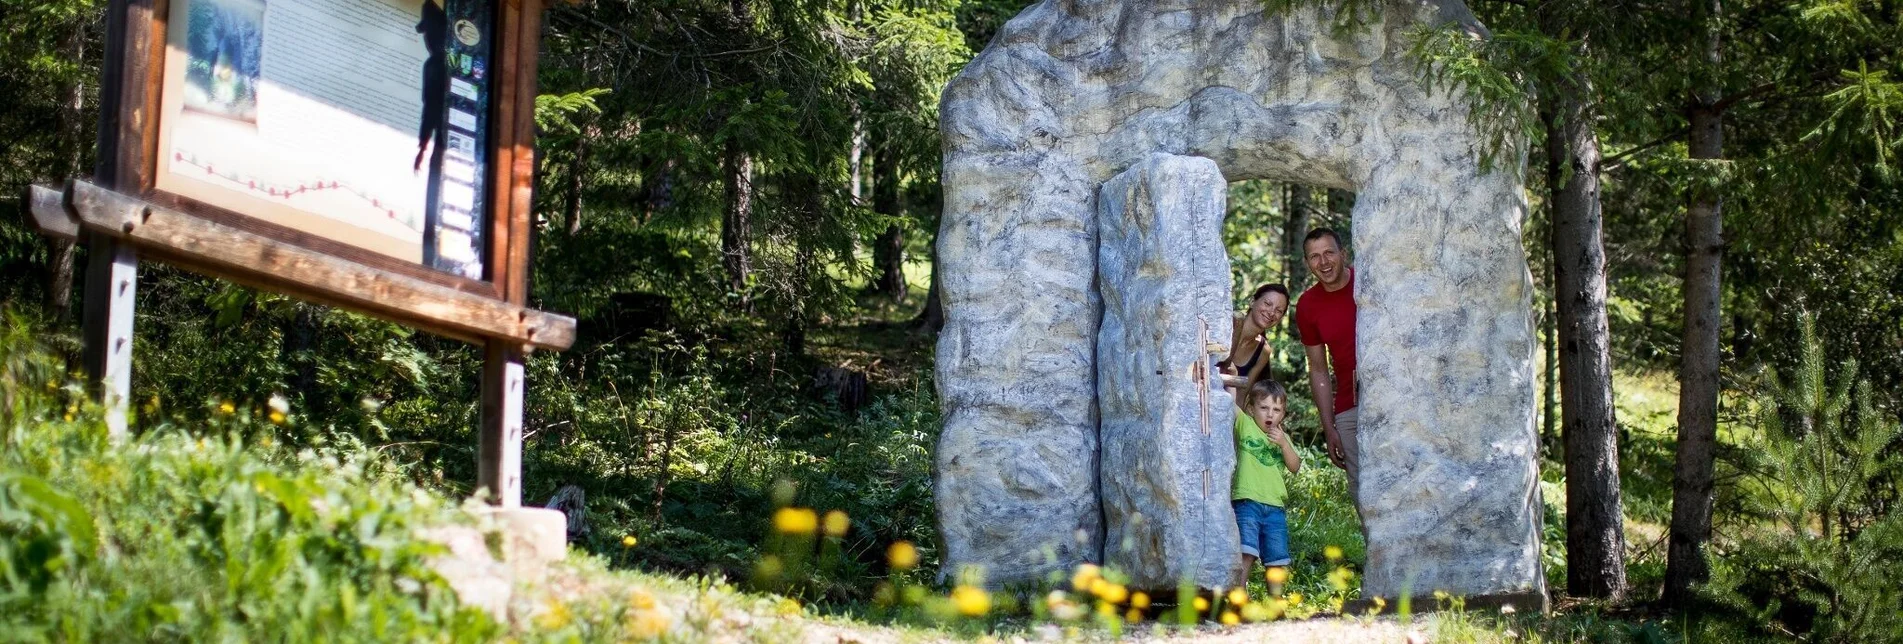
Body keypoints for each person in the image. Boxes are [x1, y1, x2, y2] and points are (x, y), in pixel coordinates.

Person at [1294, 227, 1360, 506]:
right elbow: (1318, 369)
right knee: (1362, 487)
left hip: (1391, 395)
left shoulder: (1367, 281)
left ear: (1343, 254)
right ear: (1308, 263)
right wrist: (1328, 425)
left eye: (1329, 252)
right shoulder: (1308, 305)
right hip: (1349, 403)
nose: (1323, 262)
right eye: (1314, 256)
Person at [1232, 379, 1301, 588]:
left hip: (1275, 507)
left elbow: (1295, 466)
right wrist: (1231, 376)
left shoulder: (1282, 437)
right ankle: (1238, 594)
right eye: (1264, 408)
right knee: (1246, 551)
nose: (1270, 414)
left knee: (1277, 559)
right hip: (1247, 501)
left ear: (1283, 414)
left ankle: (1276, 603)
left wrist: (1283, 443)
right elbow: (1228, 401)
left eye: (1277, 410)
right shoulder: (1245, 424)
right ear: (1251, 409)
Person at [1219, 284, 1290, 406]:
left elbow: (1241, 396)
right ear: (1252, 301)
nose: (1272, 312)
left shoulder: (1263, 351)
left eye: (1279, 311)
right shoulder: (1225, 325)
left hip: (1223, 410)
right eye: (1267, 304)